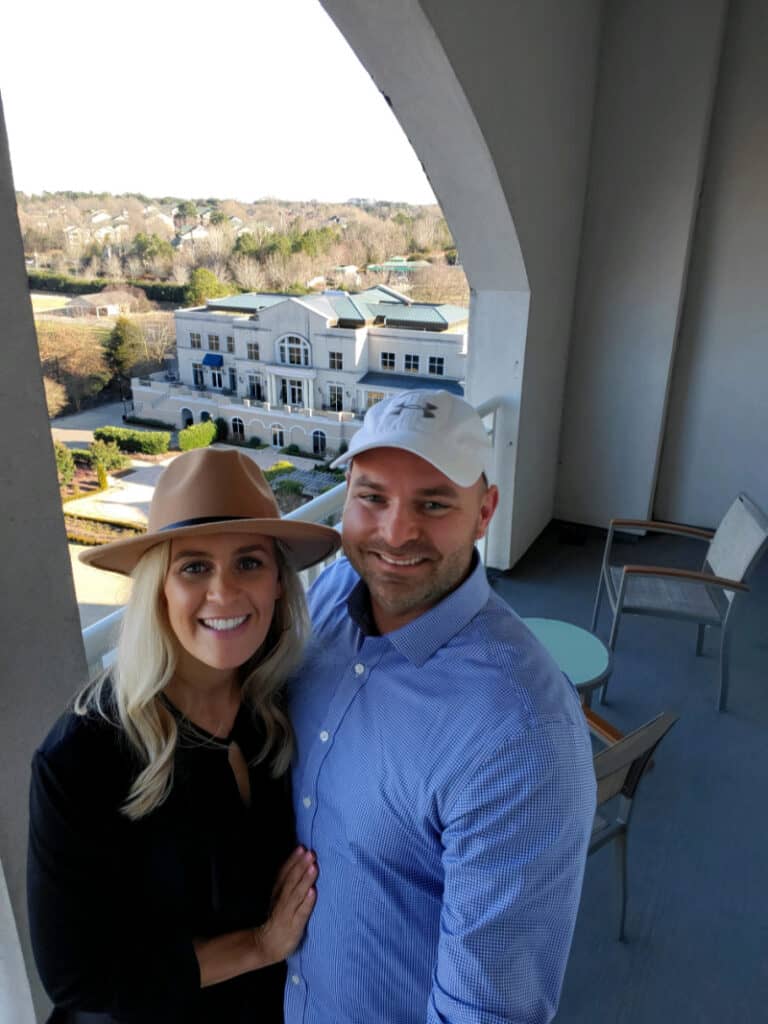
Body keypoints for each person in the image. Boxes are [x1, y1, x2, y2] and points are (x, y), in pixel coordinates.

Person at [286, 390, 597, 1024]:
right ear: (346, 494)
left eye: (433, 504)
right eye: (373, 498)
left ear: (485, 512)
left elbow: (487, 1012)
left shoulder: (521, 733)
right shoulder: (335, 594)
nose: (395, 533)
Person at [27, 447, 341, 1024]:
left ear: (278, 583)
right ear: (159, 590)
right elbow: (77, 978)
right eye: (193, 567)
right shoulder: (83, 755)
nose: (223, 593)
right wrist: (259, 945)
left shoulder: (279, 706)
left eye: (249, 562)